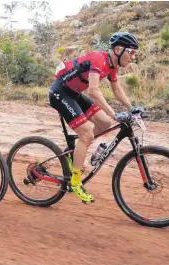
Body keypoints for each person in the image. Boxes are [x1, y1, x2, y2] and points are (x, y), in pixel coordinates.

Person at [48, 32, 144, 203]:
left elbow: (117, 89)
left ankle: (74, 153)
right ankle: (75, 183)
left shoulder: (112, 66)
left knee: (105, 123)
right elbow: (93, 91)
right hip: (60, 93)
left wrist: (131, 108)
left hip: (74, 93)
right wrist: (115, 114)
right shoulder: (99, 59)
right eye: (131, 51)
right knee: (87, 133)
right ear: (119, 49)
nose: (132, 56)